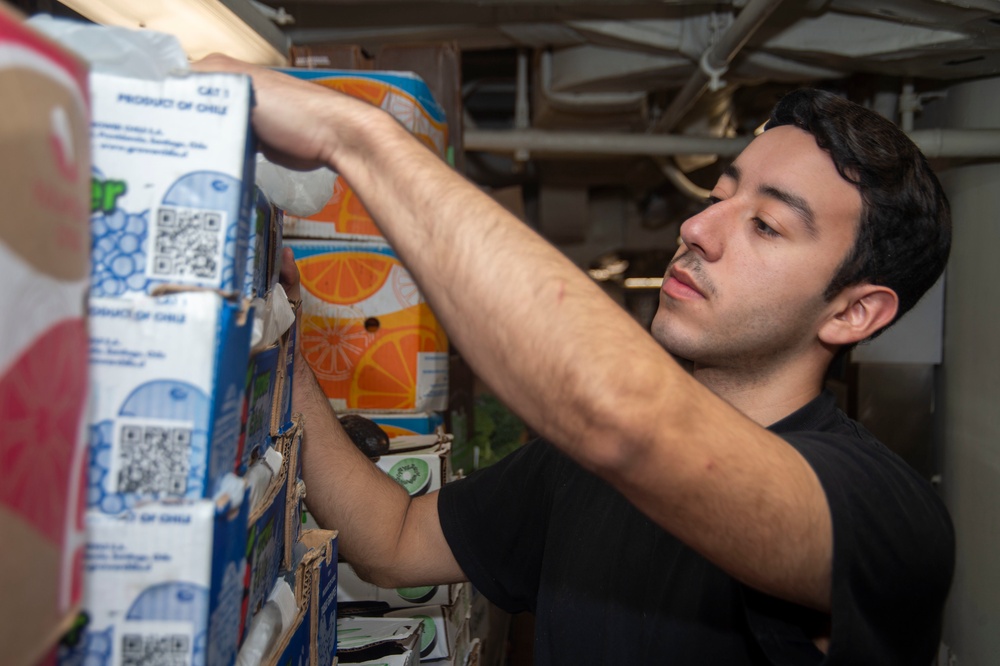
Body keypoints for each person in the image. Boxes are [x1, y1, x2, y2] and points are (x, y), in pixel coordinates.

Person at [197, 56, 955, 664]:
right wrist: (277, 340)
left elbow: (628, 417)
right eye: (721, 195)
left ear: (854, 311)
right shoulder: (584, 470)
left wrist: (354, 137)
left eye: (765, 225)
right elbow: (392, 540)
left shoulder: (882, 515)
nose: (697, 227)